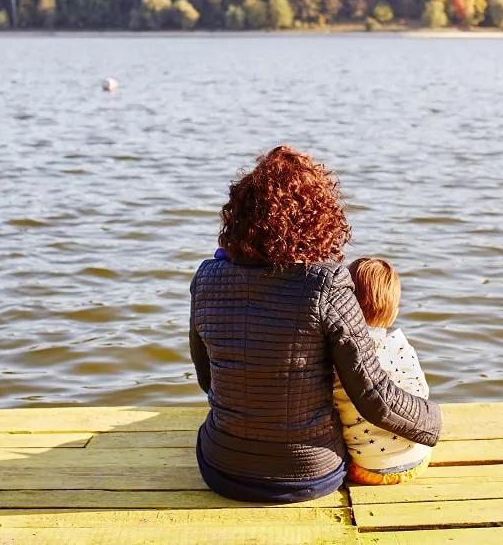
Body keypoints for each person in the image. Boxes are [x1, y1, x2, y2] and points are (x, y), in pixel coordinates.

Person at [189, 145, 441, 503]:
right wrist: (433, 421)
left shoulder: (206, 278)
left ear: (239, 216)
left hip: (220, 469)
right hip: (309, 475)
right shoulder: (328, 283)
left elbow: (207, 379)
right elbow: (374, 398)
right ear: (319, 217)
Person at [334, 257, 432, 485]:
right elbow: (422, 393)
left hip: (365, 469)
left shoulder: (340, 358)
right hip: (416, 460)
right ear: (395, 314)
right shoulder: (402, 349)